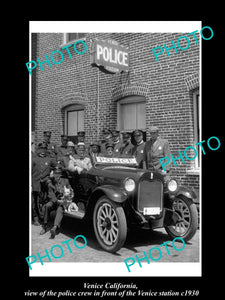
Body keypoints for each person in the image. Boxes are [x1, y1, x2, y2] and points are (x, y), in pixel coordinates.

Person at [40, 165, 78, 238]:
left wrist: (70, 194)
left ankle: (54, 227)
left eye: (58, 173)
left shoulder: (65, 181)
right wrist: (57, 201)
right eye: (55, 173)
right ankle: (45, 226)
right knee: (47, 206)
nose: (57, 175)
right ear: (53, 174)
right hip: (54, 201)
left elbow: (70, 189)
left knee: (60, 209)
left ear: (60, 174)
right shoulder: (50, 182)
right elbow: (51, 195)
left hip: (63, 202)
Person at [32, 143, 56, 226]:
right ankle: (35, 219)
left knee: (44, 200)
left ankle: (44, 217)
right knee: (34, 201)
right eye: (41, 149)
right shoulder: (33, 159)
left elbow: (57, 166)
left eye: (44, 149)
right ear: (38, 150)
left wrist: (53, 172)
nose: (42, 151)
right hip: (35, 183)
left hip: (45, 183)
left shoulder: (49, 159)